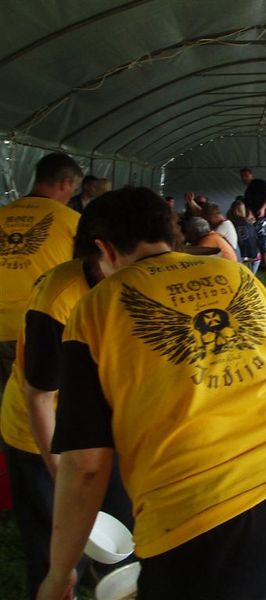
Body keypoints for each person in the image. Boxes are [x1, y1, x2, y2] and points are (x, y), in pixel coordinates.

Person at [37, 187, 266, 600]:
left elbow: (86, 465)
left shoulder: (96, 305)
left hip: (207, 516)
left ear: (104, 249)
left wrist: (59, 572)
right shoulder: (238, 276)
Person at [1, 204, 133, 599]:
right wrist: (67, 482)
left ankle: (104, 582)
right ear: (104, 252)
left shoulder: (132, 286)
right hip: (43, 438)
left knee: (116, 530)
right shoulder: (59, 301)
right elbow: (39, 399)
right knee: (54, 542)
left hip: (101, 431)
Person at [0, 153, 82, 395]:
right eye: (73, 189)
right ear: (66, 183)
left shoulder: (3, 214)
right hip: (37, 327)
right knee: (34, 401)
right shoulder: (73, 221)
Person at [241, 167, 266, 264]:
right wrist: (250, 215)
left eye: (246, 175)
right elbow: (249, 207)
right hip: (258, 218)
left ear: (251, 175)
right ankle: (265, 264)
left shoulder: (259, 183)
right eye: (242, 176)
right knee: (262, 241)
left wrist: (263, 208)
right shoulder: (247, 192)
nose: (244, 178)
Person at [227, 199, 261, 273]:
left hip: (240, 255)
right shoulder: (249, 223)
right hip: (254, 254)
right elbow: (256, 239)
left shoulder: (230, 224)